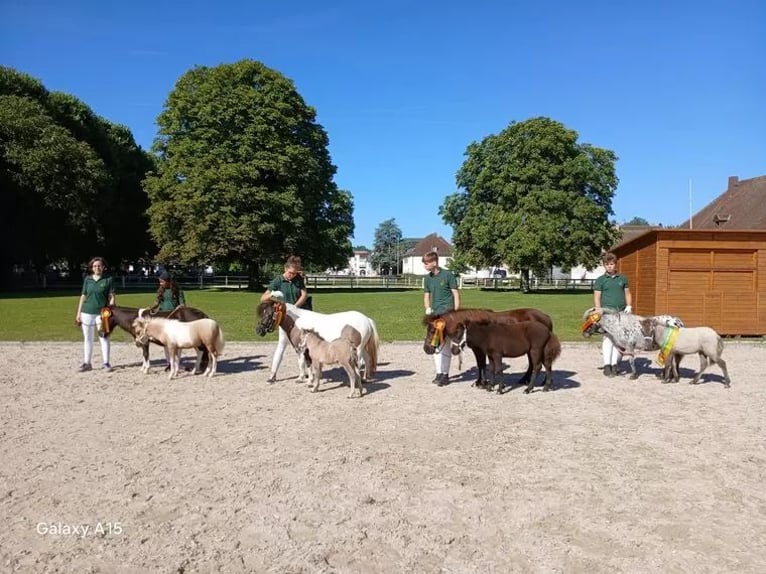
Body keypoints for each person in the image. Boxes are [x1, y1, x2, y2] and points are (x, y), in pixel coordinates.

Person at [260, 255, 309, 383]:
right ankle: (273, 374)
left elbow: (304, 294)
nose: (292, 275)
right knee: (281, 345)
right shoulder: (278, 280)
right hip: (285, 319)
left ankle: (304, 373)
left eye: (294, 273)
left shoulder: (298, 279)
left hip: (298, 318)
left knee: (302, 346)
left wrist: (295, 307)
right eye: (290, 273)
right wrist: (273, 294)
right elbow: (263, 298)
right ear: (285, 268)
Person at [422, 250, 460, 386]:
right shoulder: (427, 278)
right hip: (435, 316)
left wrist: (456, 312)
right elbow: (427, 295)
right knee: (435, 344)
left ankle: (445, 374)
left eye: (426, 263)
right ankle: (439, 372)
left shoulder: (448, 275)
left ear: (434, 262)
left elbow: (455, 294)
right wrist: (428, 309)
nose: (425, 266)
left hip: (448, 315)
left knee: (446, 345)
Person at [593, 251, 632, 377]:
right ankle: (607, 365)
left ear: (615, 265)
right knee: (608, 338)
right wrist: (598, 310)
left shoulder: (623, 279)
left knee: (618, 340)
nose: (609, 266)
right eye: (607, 264)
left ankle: (615, 364)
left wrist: (629, 305)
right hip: (606, 313)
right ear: (604, 266)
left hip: (620, 313)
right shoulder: (600, 280)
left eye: (611, 264)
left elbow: (627, 293)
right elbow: (597, 297)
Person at [74, 257, 116, 372]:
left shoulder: (108, 280)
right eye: (95, 266)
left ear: (103, 267)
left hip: (102, 314)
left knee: (104, 337)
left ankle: (106, 363)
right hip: (87, 312)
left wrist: (111, 309)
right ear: (92, 268)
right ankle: (87, 363)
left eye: (99, 265)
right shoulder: (87, 279)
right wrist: (78, 313)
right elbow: (83, 296)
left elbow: (112, 296)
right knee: (88, 338)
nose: (97, 267)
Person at [151, 270, 186, 370]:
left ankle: (177, 363)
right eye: (160, 282)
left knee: (177, 342)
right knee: (166, 342)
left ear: (168, 281)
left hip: (174, 318)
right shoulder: (160, 290)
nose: (160, 283)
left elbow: (183, 304)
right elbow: (157, 302)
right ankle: (169, 362)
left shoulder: (178, 290)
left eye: (162, 281)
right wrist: (151, 308)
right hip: (163, 319)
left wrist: (180, 307)